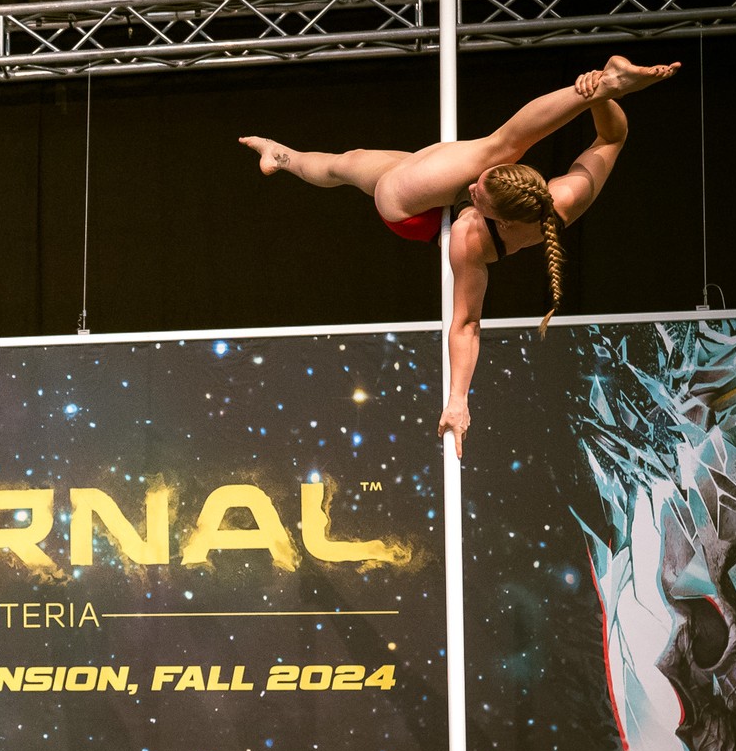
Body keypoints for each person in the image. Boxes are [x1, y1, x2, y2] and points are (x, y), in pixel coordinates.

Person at [238, 53, 679, 455]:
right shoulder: (568, 196)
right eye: (480, 181)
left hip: (411, 212)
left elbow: (466, 323)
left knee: (365, 163)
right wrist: (597, 98)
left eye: (478, 194)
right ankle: (282, 155)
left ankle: (604, 84)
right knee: (476, 149)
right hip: (451, 191)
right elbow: (612, 138)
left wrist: (458, 401)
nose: (471, 185)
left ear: (501, 220)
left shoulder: (469, 237)